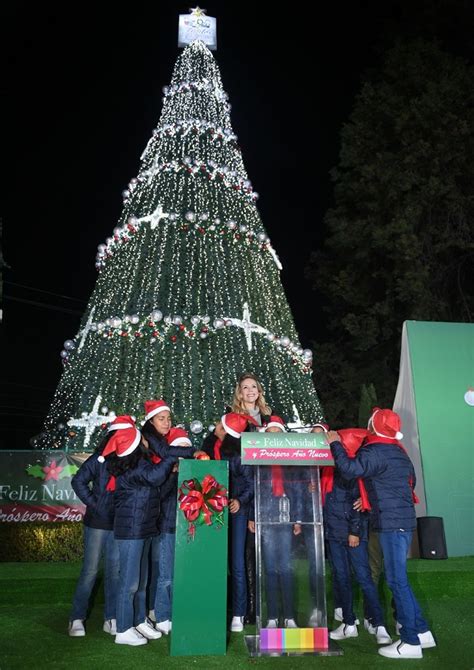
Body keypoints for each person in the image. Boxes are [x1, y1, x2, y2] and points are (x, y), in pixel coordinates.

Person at [328, 408, 436, 660]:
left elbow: (349, 469)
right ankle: (422, 632)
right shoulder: (399, 452)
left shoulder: (375, 451)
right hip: (404, 521)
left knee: (397, 581)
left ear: (374, 426)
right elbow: (411, 482)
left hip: (390, 523)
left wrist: (335, 444)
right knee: (400, 579)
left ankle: (410, 641)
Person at [102, 415, 177, 646]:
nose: (147, 442)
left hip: (143, 528)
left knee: (142, 581)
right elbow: (155, 477)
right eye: (143, 440)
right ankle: (123, 629)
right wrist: (171, 457)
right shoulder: (131, 466)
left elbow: (156, 478)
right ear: (134, 444)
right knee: (129, 582)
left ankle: (138, 620)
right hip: (131, 531)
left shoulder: (140, 463)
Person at [323, 427, 391, 645]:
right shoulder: (332, 469)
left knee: (363, 578)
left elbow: (357, 504)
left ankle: (379, 623)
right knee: (341, 578)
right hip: (334, 533)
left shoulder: (352, 471)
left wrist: (354, 531)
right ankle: (349, 623)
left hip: (352, 536)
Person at [202, 412, 254, 633]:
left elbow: (251, 484)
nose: (216, 427)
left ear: (228, 433)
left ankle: (238, 613)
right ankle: (213, 608)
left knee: (237, 563)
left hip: (236, 512)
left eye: (220, 425)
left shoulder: (241, 456)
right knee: (214, 562)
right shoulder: (209, 445)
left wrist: (239, 501)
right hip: (213, 510)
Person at [249, 415, 301, 629]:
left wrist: (298, 518)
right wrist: (253, 515)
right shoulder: (259, 459)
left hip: (286, 521)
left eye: (277, 433)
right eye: (270, 434)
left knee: (286, 568)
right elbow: (255, 489)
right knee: (269, 568)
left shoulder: (291, 460)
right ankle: (271, 616)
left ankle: (289, 616)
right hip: (267, 520)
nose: (273, 438)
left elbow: (298, 489)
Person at [68, 428, 120, 637]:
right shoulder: (99, 459)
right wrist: (94, 504)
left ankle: (111, 617)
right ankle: (76, 618)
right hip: (97, 523)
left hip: (119, 525)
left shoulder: (130, 460)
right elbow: (78, 481)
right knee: (90, 572)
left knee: (114, 573)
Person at [231, 372, 271, 623]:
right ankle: (241, 610)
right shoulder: (232, 420)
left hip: (266, 497)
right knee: (240, 558)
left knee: (261, 557)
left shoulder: (270, 419)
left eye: (253, 386)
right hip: (241, 497)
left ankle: (261, 609)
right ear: (240, 392)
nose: (250, 391)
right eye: (245, 387)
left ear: (259, 390)